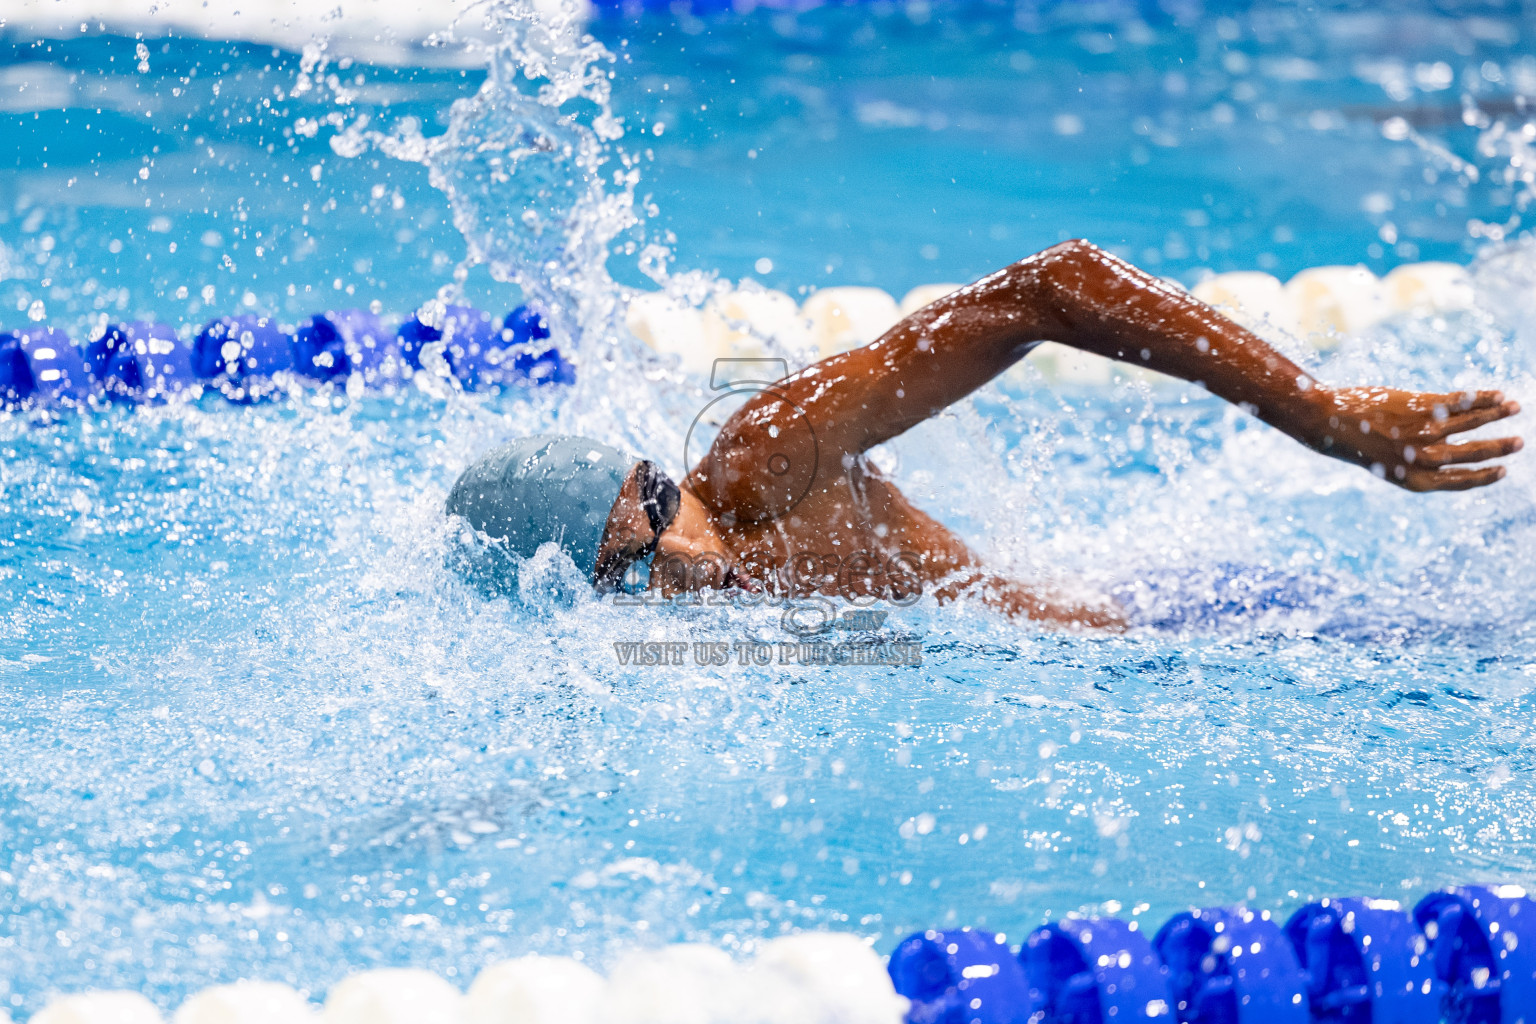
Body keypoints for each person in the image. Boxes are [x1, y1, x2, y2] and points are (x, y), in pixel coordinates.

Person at [447, 240, 1523, 629]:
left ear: (651, 472)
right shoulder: (670, 658)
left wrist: (1318, 412)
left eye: (651, 510)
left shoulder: (766, 460)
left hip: (1188, 626)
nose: (679, 555)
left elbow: (1057, 285)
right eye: (631, 574)